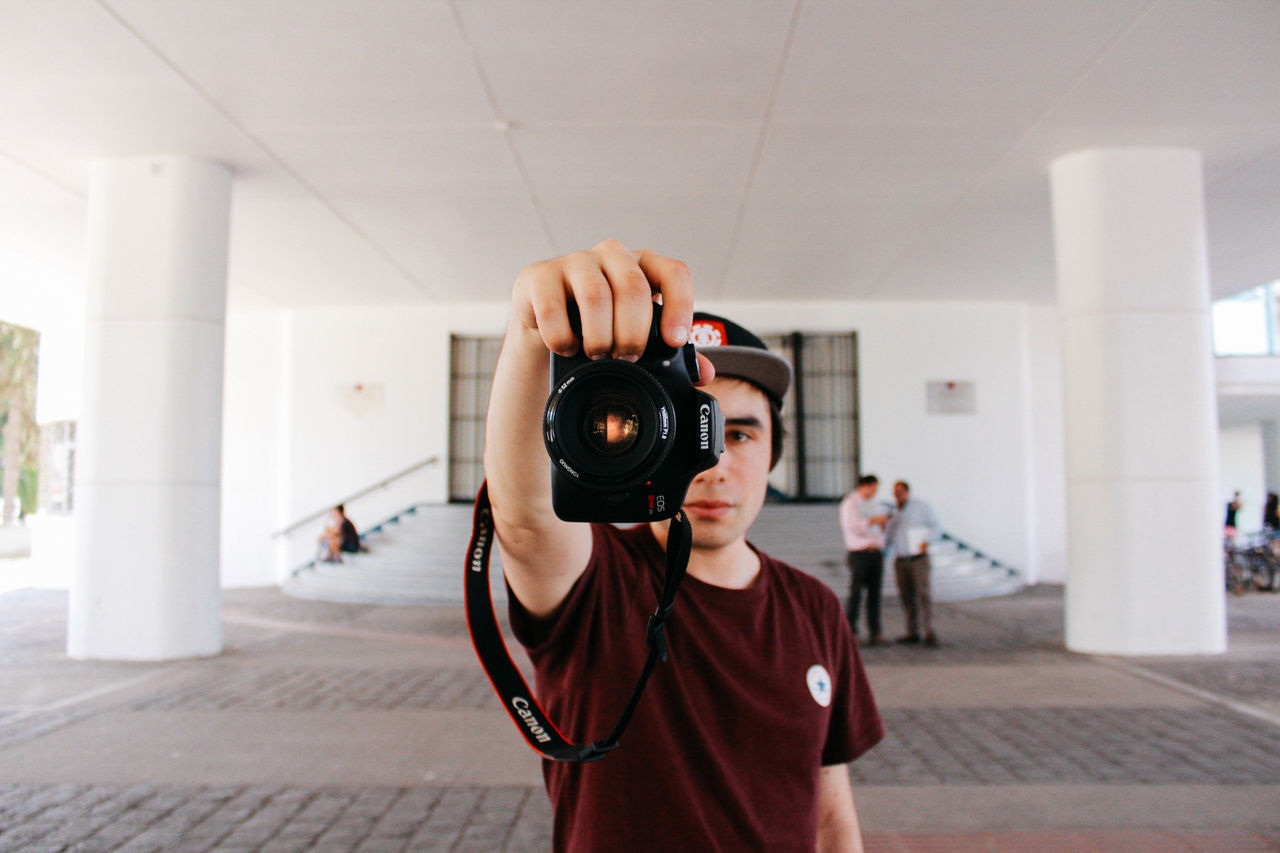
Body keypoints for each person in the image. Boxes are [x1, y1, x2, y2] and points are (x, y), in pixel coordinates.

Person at [484, 240, 884, 852]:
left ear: (775, 451)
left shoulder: (815, 607)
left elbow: (830, 804)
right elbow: (527, 524)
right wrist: (530, 335)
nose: (712, 463)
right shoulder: (599, 581)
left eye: (740, 433)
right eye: (687, 430)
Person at [884, 480, 942, 648]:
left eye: (901, 492)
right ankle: (912, 631)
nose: (898, 496)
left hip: (918, 559)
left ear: (908, 492)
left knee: (923, 595)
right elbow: (889, 537)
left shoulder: (921, 507)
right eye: (895, 493)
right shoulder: (894, 512)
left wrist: (927, 541)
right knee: (906, 597)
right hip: (901, 560)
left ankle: (929, 631)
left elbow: (936, 527)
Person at [839, 474, 890, 646]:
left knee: (875, 594)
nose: (874, 493)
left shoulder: (875, 504)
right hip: (859, 553)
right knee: (856, 592)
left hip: (876, 552)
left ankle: (875, 632)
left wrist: (882, 524)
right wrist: (872, 521)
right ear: (864, 486)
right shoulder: (850, 503)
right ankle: (851, 631)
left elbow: (882, 529)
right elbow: (852, 527)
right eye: (872, 489)